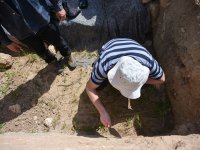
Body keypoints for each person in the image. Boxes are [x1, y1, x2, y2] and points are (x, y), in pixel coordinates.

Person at [86, 38, 165, 128]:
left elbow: (162, 79)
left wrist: (141, 80)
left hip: (133, 44)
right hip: (111, 45)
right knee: (99, 86)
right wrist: (102, 112)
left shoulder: (147, 60)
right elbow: (89, 88)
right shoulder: (104, 65)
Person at [0, 0, 76, 70]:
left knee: (58, 40)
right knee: (39, 50)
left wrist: (58, 7)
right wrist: (6, 41)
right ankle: (52, 61)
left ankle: (67, 55)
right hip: (19, 29)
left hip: (39, 16)